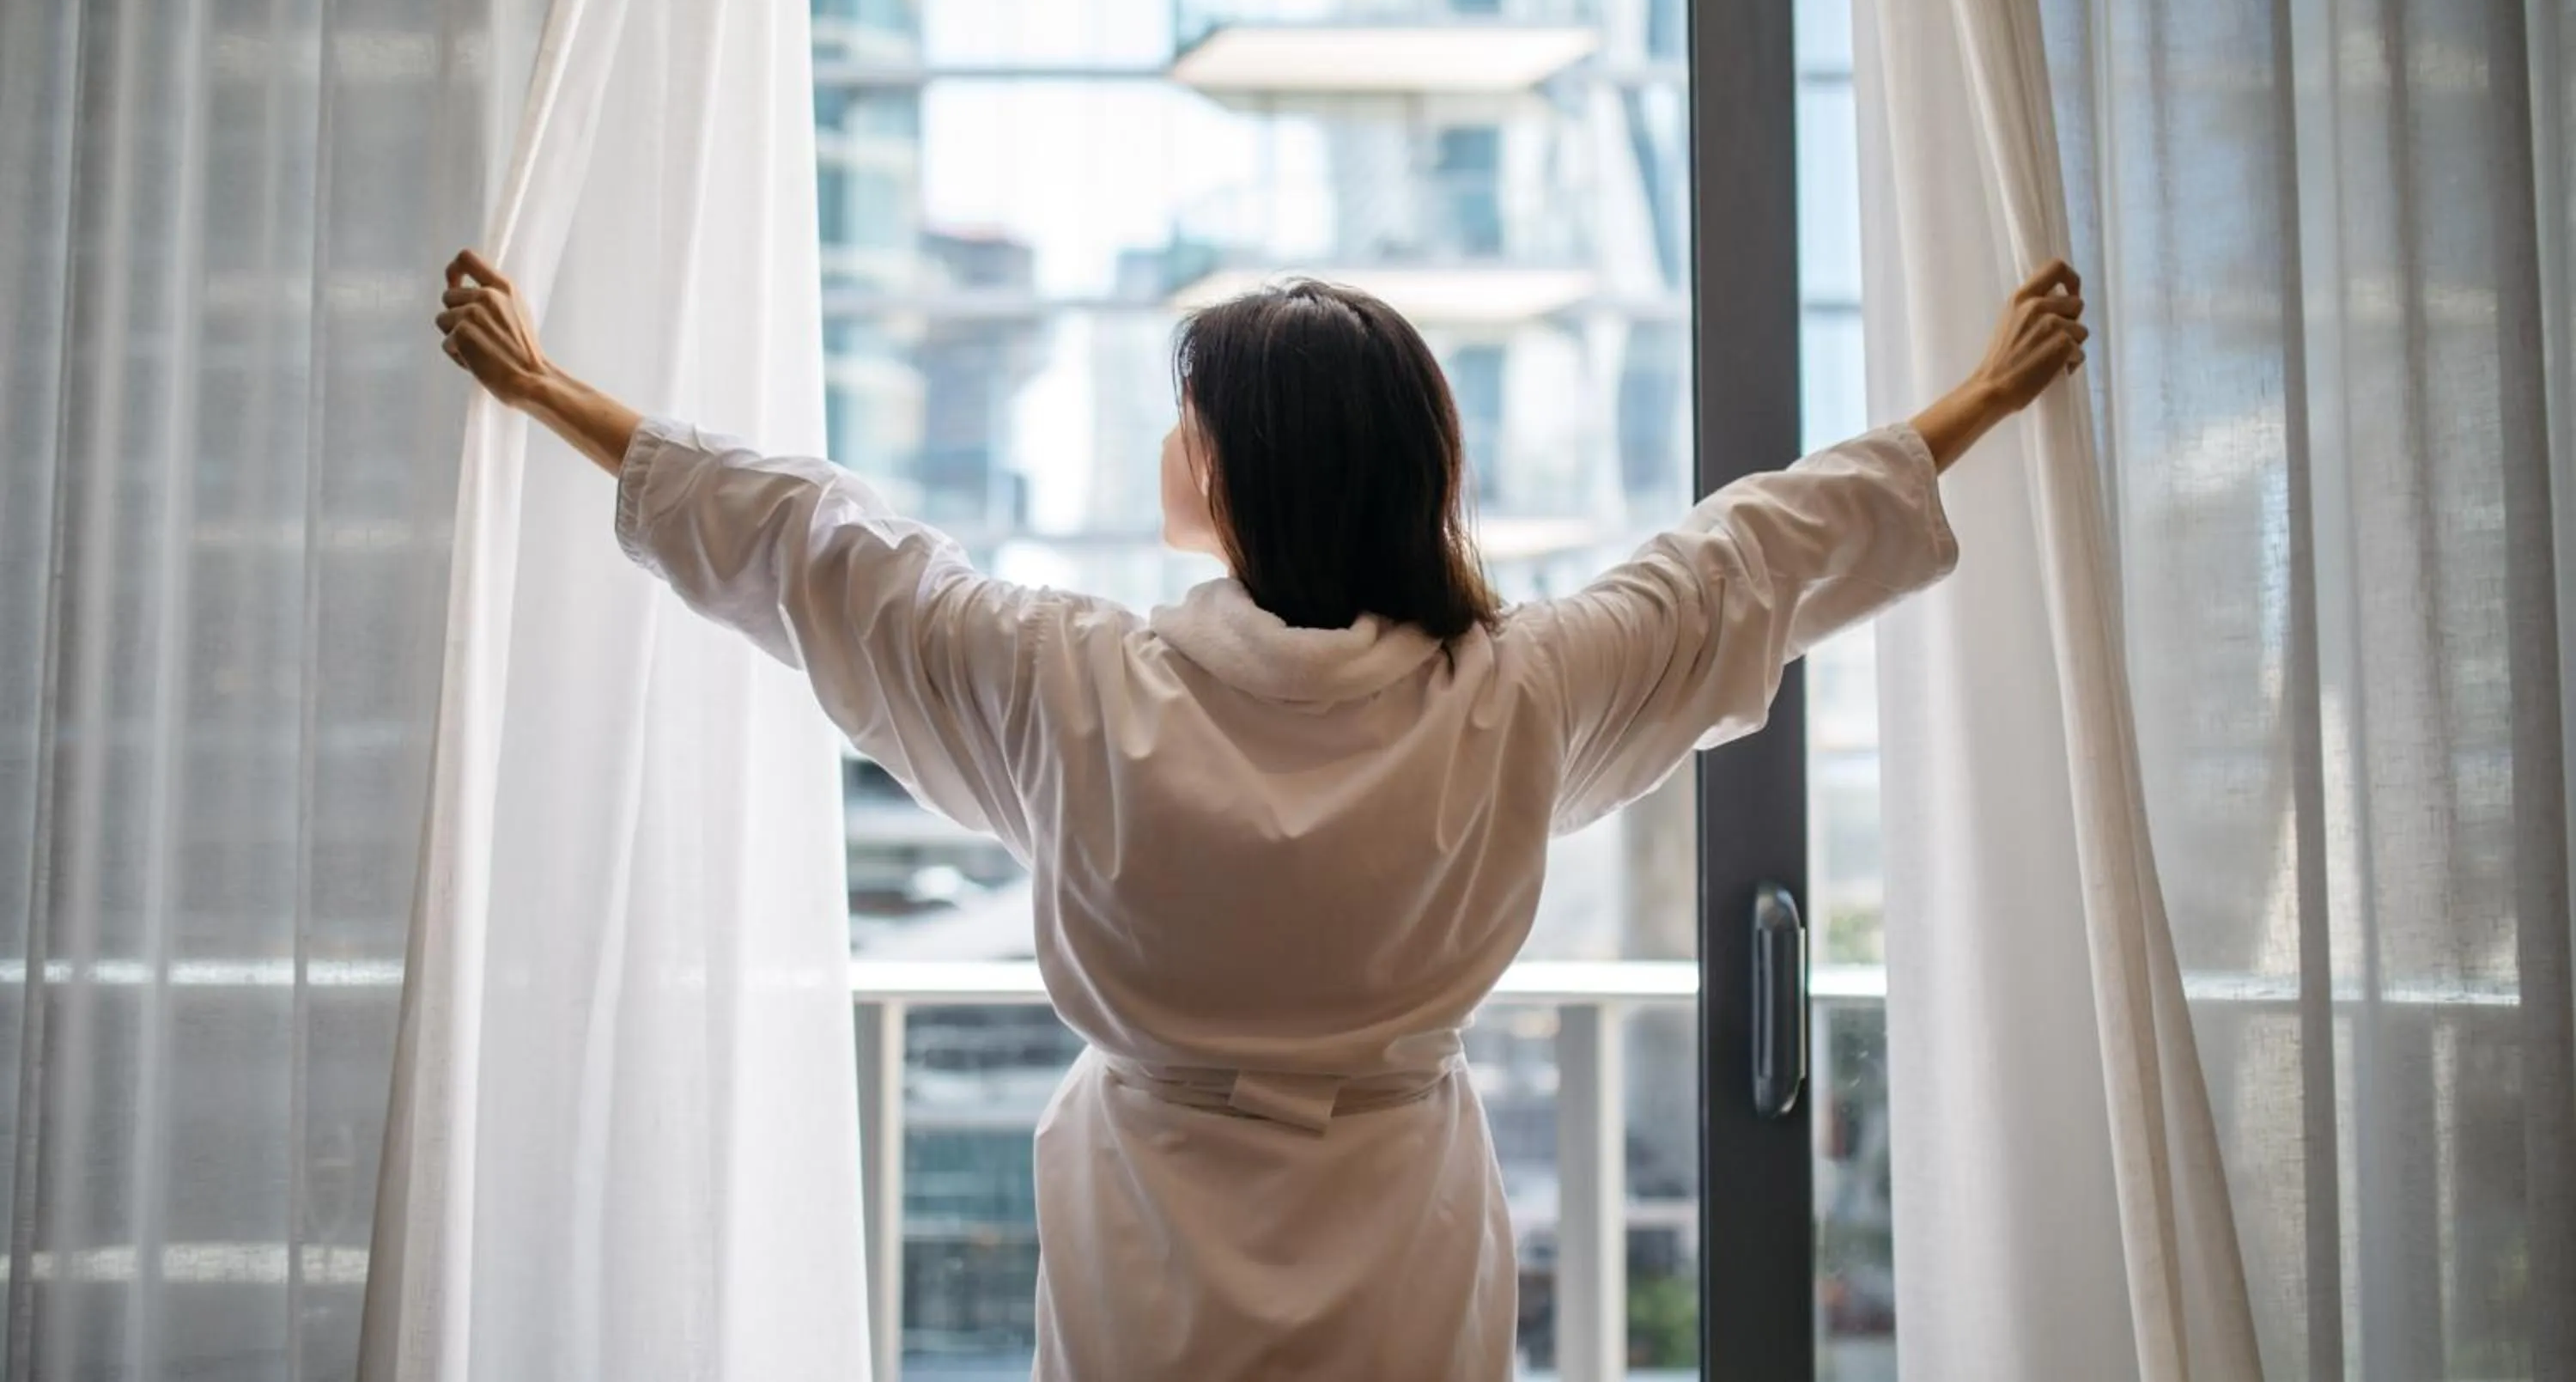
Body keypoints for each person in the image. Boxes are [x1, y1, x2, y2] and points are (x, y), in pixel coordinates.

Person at [434, 251, 2087, 1380]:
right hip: (1401, 1231)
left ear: (1236, 473)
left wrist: (555, 393)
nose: (1173, 438)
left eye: (1189, 416)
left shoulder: (1070, 684)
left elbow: (812, 547)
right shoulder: (1506, 696)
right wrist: (1983, 399)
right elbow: (1751, 559)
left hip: (1147, 1232)